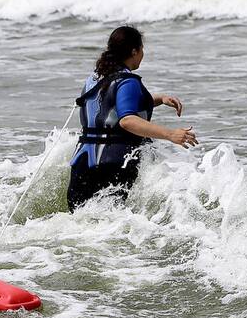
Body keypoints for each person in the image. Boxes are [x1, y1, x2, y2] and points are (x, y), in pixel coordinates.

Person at [67, 26, 198, 211]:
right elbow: (126, 120)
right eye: (142, 49)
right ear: (134, 51)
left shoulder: (95, 78)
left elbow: (109, 110)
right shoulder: (128, 81)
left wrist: (159, 99)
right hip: (112, 164)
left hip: (82, 164)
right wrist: (170, 134)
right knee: (108, 229)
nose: (143, 54)